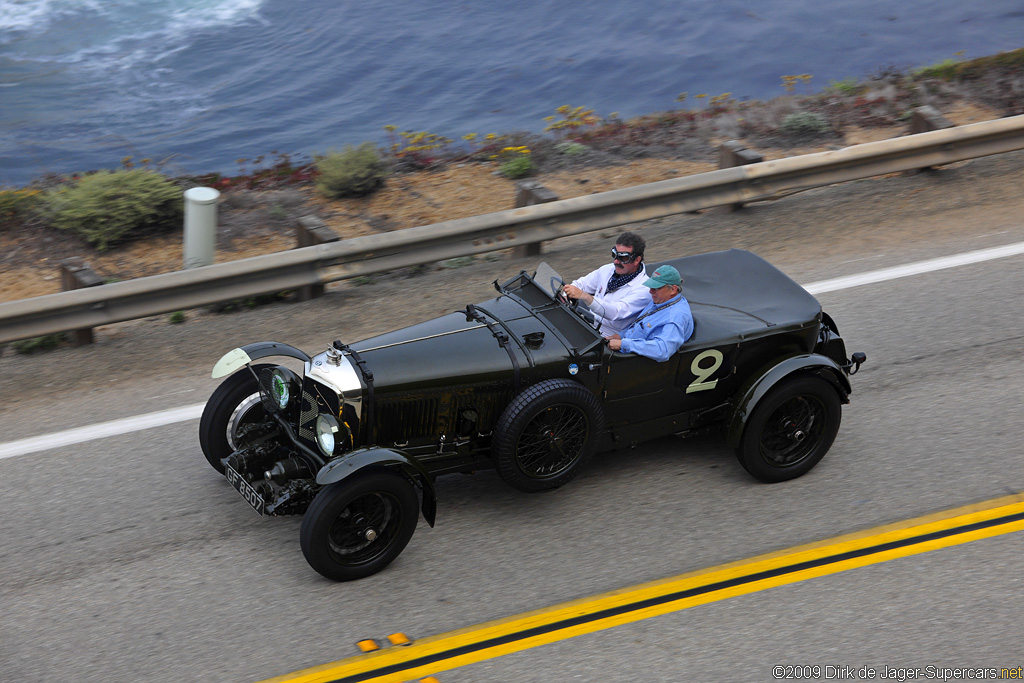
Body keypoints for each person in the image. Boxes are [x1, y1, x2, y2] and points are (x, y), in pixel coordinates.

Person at [561, 232, 651, 338]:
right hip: (588, 323)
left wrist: (585, 297)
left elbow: (615, 312)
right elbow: (579, 284)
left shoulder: (644, 289)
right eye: (614, 254)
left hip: (610, 337)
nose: (616, 261)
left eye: (624, 258)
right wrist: (565, 296)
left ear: (637, 260)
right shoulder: (607, 270)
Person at [607, 264, 693, 362]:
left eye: (656, 288)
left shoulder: (674, 317)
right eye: (651, 287)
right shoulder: (661, 300)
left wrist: (623, 344)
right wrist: (620, 336)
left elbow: (663, 350)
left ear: (672, 289)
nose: (650, 291)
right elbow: (640, 324)